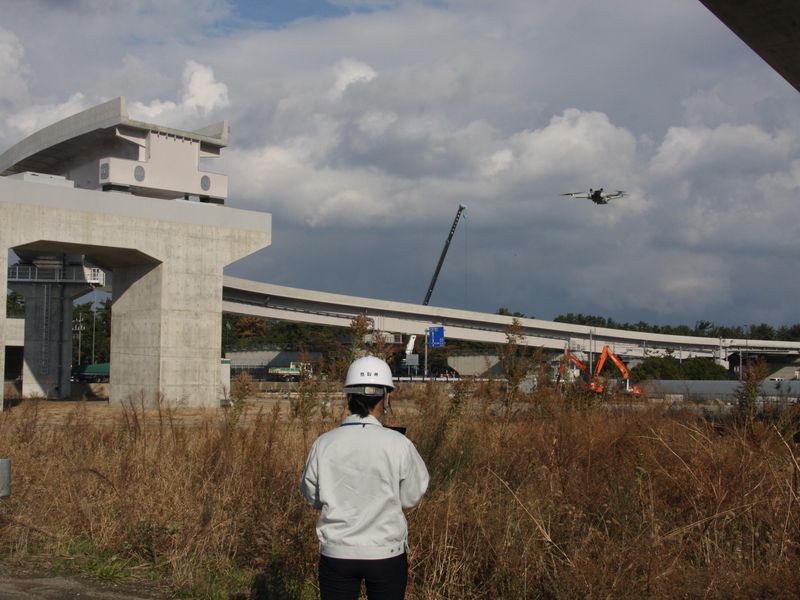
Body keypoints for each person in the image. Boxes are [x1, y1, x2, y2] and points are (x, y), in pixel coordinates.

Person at [300, 355, 429, 600]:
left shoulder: (324, 443)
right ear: (387, 396)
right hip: (386, 553)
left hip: (337, 553)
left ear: (348, 396)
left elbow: (312, 495)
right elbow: (411, 496)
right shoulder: (399, 444)